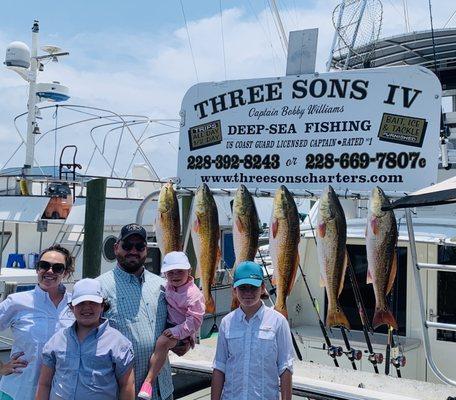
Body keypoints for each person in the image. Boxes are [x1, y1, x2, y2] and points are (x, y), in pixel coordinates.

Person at [97, 223, 190, 400]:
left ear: (146, 250)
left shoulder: (163, 286)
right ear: (116, 248)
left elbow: (176, 320)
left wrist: (181, 342)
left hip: (163, 390)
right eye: (127, 245)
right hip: (122, 392)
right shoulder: (100, 288)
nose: (133, 250)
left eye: (139, 246)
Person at [35, 278, 135, 400]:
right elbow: (44, 384)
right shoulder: (57, 340)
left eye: (93, 303)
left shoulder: (119, 343)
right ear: (72, 308)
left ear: (102, 306)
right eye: (81, 303)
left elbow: (127, 386)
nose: (87, 308)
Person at [0, 245, 75, 400]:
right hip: (19, 391)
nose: (49, 271)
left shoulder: (76, 305)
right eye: (44, 265)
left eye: (58, 268)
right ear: (37, 269)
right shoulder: (16, 302)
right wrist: (1, 367)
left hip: (60, 393)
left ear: (66, 273)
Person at [211, 261, 294, 400]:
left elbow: (285, 367)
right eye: (243, 288)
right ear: (234, 290)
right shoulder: (226, 322)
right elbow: (219, 367)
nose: (248, 293)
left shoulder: (278, 322)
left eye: (253, 287)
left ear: (262, 288)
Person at [138, 251, 205, 400]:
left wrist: (177, 332)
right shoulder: (167, 286)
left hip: (182, 330)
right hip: (172, 325)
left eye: (179, 271)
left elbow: (195, 320)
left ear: (189, 271)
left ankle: (148, 382)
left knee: (162, 343)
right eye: (170, 272)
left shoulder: (193, 294)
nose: (175, 275)